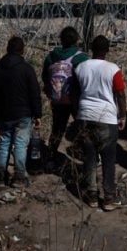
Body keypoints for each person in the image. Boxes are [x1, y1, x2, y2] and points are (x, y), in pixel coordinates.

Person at [74, 35, 127, 211]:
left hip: (85, 115)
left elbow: (75, 91)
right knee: (108, 158)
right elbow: (120, 93)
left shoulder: (81, 67)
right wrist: (123, 115)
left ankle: (92, 195)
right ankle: (109, 198)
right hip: (107, 117)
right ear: (107, 50)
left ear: (91, 49)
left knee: (89, 157)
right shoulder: (113, 69)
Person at [0, 36, 42, 188]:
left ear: (7, 49)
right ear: (22, 50)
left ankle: (0, 176)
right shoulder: (26, 69)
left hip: (3, 114)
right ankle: (19, 176)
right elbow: (34, 93)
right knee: (20, 145)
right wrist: (38, 114)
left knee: (4, 143)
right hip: (23, 114)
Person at [41, 26, 89, 171]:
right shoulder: (81, 58)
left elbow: (45, 76)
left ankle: (51, 157)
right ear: (76, 40)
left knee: (57, 129)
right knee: (83, 128)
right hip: (75, 99)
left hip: (58, 99)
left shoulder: (51, 56)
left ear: (61, 40)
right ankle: (89, 155)